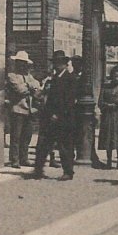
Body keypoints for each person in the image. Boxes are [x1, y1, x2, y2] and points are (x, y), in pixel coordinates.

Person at [34, 50, 76, 180]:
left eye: (59, 63)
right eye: (55, 63)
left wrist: (58, 114)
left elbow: (69, 100)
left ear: (64, 64)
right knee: (44, 144)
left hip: (63, 118)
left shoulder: (69, 79)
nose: (56, 66)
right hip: (50, 117)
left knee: (64, 146)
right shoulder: (54, 78)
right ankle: (38, 169)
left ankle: (68, 172)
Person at [6, 51, 42, 168]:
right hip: (18, 109)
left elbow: (37, 85)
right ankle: (14, 159)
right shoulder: (12, 75)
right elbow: (19, 89)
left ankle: (24, 158)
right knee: (16, 136)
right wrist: (30, 87)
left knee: (27, 136)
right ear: (16, 63)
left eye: (24, 63)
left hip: (30, 109)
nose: (22, 65)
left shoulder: (28, 76)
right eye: (20, 62)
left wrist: (30, 87)